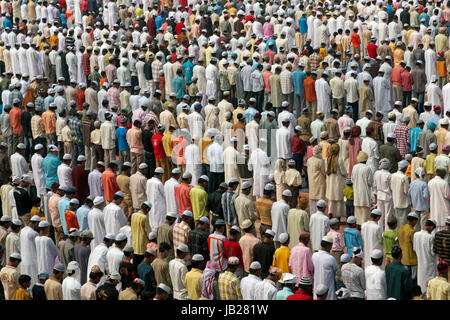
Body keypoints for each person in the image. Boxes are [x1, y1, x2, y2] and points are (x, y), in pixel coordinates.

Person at [414, 219, 438, 294]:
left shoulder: (416, 234)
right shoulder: (430, 237)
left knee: (421, 285)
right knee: (429, 288)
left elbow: (414, 249)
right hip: (429, 266)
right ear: (431, 227)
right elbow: (433, 252)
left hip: (420, 265)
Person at [312, 235, 338, 300]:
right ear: (329, 246)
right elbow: (336, 269)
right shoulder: (330, 258)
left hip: (317, 287)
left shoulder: (314, 255)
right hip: (328, 288)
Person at [398, 212, 419, 282]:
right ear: (414, 221)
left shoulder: (400, 229)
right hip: (412, 259)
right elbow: (415, 245)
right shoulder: (412, 231)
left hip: (403, 257)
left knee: (405, 278)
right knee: (413, 279)